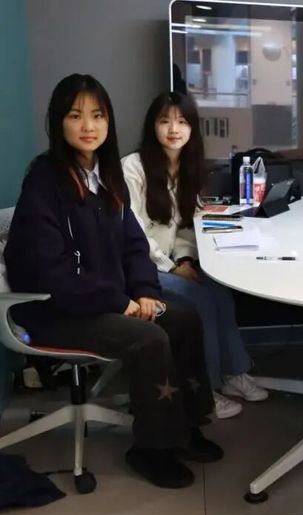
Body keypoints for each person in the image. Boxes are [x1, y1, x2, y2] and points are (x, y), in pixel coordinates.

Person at [4, 74, 222, 489]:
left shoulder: (107, 176)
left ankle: (187, 426)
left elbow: (134, 245)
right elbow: (49, 271)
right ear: (58, 122)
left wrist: (144, 291)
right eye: (75, 115)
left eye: (98, 115)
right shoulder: (45, 180)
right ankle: (152, 448)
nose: (89, 126)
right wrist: (118, 301)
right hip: (54, 309)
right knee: (148, 338)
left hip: (103, 301)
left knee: (183, 317)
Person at [122, 92, 270, 419]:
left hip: (171, 264)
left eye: (182, 121)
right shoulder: (132, 168)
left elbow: (186, 227)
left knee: (220, 292)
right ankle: (206, 390)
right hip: (139, 268)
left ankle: (234, 373)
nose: (174, 129)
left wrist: (185, 259)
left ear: (192, 128)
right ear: (152, 126)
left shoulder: (188, 169)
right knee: (199, 301)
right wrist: (170, 266)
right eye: (165, 121)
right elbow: (131, 231)